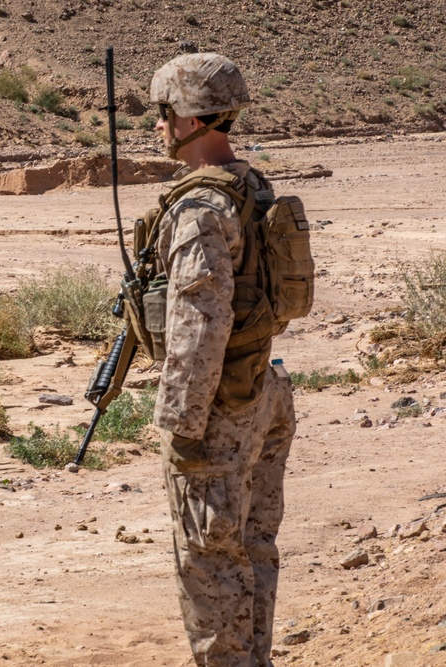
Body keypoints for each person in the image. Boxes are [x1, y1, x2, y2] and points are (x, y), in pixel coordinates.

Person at [147, 53, 297, 666]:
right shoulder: (251, 187)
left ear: (190, 119)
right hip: (264, 386)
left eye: (163, 113)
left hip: (221, 407)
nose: (157, 126)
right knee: (253, 547)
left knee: (209, 560)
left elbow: (198, 322)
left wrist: (181, 423)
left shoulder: (198, 208)